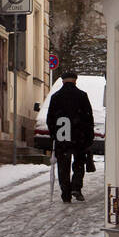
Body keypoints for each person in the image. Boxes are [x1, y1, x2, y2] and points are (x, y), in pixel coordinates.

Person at [48, 70, 95, 203]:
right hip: (79, 137)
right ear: (75, 80)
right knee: (79, 163)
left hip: (62, 137)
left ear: (63, 81)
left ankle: (65, 194)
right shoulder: (82, 96)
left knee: (63, 166)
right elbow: (88, 118)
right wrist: (88, 136)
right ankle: (76, 186)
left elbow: (50, 119)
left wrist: (54, 134)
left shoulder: (56, 97)